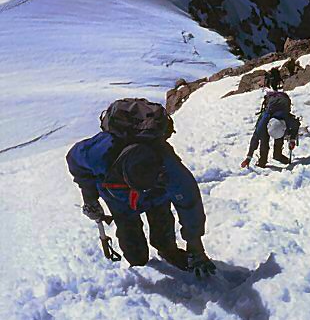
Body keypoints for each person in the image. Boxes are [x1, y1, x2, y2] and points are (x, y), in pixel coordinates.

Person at [66, 99, 215, 277]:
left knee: (163, 229)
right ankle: (138, 259)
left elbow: (190, 205)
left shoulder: (170, 168)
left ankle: (166, 248)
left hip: (157, 198)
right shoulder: (100, 154)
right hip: (118, 199)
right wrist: (89, 197)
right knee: (136, 254)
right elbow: (74, 161)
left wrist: (195, 245)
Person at [241, 73, 300, 168]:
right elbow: (255, 138)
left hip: (280, 119)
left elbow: (295, 126)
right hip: (272, 116)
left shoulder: (286, 120)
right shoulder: (264, 121)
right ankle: (265, 159)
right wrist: (248, 157)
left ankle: (274, 156)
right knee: (263, 137)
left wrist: (292, 140)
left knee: (276, 132)